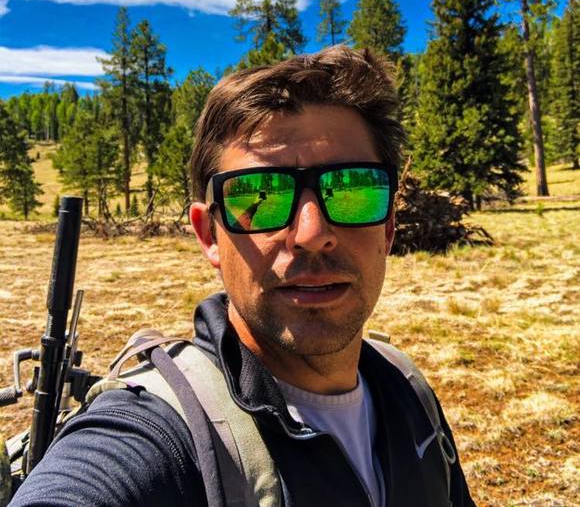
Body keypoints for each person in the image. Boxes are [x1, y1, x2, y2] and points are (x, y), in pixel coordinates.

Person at [11, 46, 474, 506]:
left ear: (388, 226)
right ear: (209, 235)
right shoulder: (161, 433)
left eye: (352, 189)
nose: (312, 234)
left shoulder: (408, 390)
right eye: (259, 195)